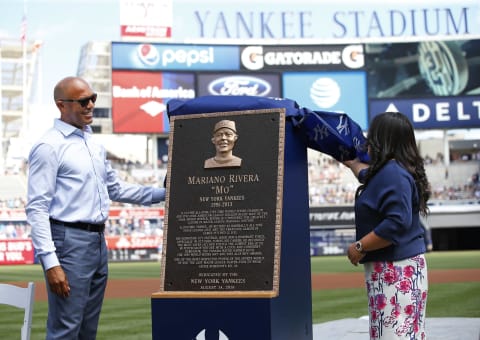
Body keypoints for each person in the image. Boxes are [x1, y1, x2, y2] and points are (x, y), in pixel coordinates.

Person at [25, 76, 165, 340]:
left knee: (87, 331)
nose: (90, 105)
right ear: (61, 105)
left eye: (93, 98)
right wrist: (50, 261)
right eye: (82, 101)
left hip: (97, 241)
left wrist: (166, 193)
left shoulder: (93, 142)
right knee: (65, 329)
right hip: (68, 242)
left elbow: (117, 189)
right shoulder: (49, 146)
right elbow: (37, 207)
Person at [343, 112, 430, 340]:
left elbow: (396, 224)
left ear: (382, 139)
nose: (368, 141)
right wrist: (352, 163)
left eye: (372, 136)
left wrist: (359, 247)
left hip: (395, 269)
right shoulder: (392, 170)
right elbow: (366, 175)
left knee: (393, 336)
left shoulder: (392, 173)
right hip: (398, 268)